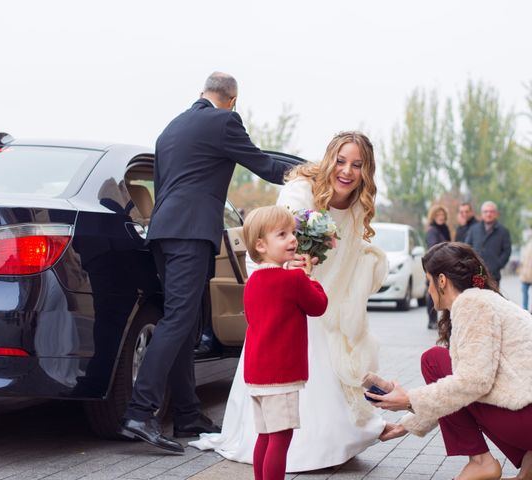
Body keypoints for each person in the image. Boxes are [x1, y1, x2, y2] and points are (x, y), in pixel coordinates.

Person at [191, 131, 389, 471]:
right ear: (329, 159)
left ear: (366, 171)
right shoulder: (301, 190)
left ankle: (335, 441)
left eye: (357, 165)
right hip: (292, 293)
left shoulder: (358, 204)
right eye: (341, 161)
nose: (347, 171)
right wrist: (291, 269)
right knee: (284, 403)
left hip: (322, 291)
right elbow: (271, 237)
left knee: (326, 365)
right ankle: (296, 454)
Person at [117, 72, 290, 454]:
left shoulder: (169, 129)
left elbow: (164, 188)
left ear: (202, 93)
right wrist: (304, 173)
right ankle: (140, 411)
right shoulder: (224, 120)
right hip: (191, 234)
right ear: (232, 100)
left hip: (163, 232)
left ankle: (187, 413)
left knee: (186, 322)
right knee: (179, 319)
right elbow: (260, 162)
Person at [368, 242, 532, 480]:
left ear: (442, 280)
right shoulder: (488, 301)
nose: (428, 290)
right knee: (454, 374)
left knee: (434, 361)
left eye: (428, 281)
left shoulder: (471, 304)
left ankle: (480, 462)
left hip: (526, 421)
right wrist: (407, 424)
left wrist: (409, 400)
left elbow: (473, 383)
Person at [242, 205, 328, 480]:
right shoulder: (292, 280)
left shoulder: (253, 280)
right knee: (280, 439)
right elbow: (318, 306)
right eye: (282, 234)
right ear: (261, 245)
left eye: (292, 232)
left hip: (257, 373)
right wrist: (309, 277)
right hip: (281, 374)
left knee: (265, 437)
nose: (292, 239)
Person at [464, 201, 511, 286]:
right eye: (486, 211)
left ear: (496, 214)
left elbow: (507, 251)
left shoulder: (503, 231)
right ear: (482, 214)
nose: (488, 214)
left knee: (493, 298)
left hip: (494, 275)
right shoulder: (473, 229)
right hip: (476, 274)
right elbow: (466, 248)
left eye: (491, 211)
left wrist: (498, 264)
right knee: (477, 298)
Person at [425, 204, 451, 329]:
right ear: (433, 216)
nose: (440, 217)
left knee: (444, 292)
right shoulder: (432, 230)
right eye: (438, 215)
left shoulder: (444, 229)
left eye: (442, 215)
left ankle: (443, 320)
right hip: (434, 264)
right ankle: (432, 320)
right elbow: (433, 247)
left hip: (444, 264)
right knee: (432, 292)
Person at [519, 236, 532, 312]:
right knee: (524, 290)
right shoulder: (529, 242)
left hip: (528, 273)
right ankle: (525, 309)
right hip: (526, 273)